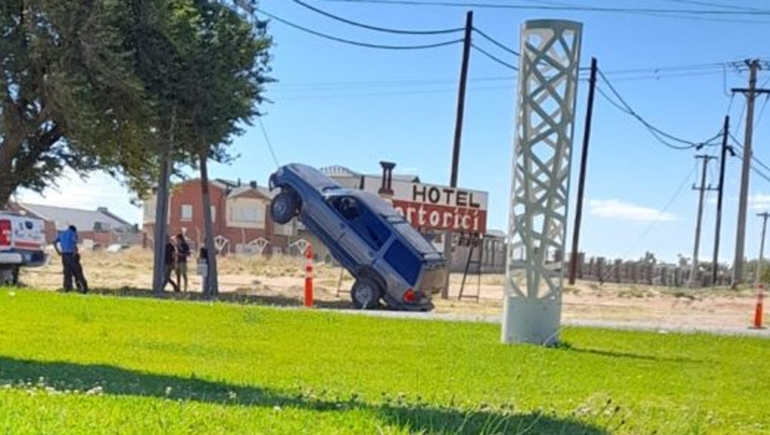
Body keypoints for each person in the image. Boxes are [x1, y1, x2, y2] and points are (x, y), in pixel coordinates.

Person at [54, 225, 78, 292]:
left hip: (64, 254)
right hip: (70, 254)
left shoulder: (61, 234)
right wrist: (75, 252)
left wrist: (58, 251)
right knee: (73, 271)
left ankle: (66, 286)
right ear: (74, 230)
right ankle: (71, 287)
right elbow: (74, 243)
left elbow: (54, 242)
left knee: (66, 271)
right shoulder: (72, 233)